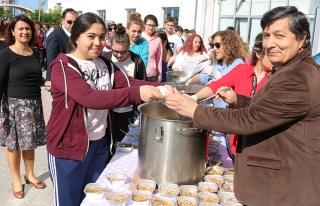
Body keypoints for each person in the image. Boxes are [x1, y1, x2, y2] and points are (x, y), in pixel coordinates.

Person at [165, 6, 320, 205]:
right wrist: (239, 101)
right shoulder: (290, 68)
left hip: (283, 191)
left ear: (301, 38)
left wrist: (193, 110)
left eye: (279, 35)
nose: (270, 44)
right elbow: (267, 110)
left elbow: (250, 120)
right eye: (266, 35)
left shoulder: (297, 76)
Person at [46, 12, 172, 206]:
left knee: (95, 199)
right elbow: (89, 98)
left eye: (102, 36)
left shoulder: (105, 64)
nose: (97, 42)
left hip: (99, 144)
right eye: (91, 36)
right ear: (76, 37)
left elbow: (128, 82)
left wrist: (162, 87)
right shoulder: (62, 66)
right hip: (69, 148)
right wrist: (137, 94)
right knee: (68, 202)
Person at [190, 32, 272, 159]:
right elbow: (216, 85)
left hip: (258, 145)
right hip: (235, 140)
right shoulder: (242, 70)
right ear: (258, 53)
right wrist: (193, 98)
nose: (276, 58)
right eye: (270, 53)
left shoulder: (275, 78)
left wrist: (235, 100)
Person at [0, 15, 51, 199]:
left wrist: (45, 82)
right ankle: (15, 180)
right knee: (14, 146)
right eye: (20, 28)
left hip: (34, 104)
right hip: (14, 106)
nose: (24, 32)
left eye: (28, 28)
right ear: (12, 31)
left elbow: (34, 77)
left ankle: (29, 175)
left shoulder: (34, 52)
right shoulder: (6, 54)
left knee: (30, 144)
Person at [103, 23, 147, 148]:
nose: (119, 55)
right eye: (115, 51)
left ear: (129, 47)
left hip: (128, 111)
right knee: (109, 145)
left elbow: (142, 85)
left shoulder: (137, 61)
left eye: (123, 52)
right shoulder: (105, 58)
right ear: (111, 46)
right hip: (109, 111)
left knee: (126, 145)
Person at [45, 8, 78, 80]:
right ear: (62, 21)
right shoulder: (55, 36)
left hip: (73, 77)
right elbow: (52, 61)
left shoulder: (76, 35)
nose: (72, 25)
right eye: (69, 22)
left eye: (75, 22)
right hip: (59, 78)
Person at [142, 14, 163, 82]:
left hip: (151, 74)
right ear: (144, 25)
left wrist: (159, 76)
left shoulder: (158, 40)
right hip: (139, 73)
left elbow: (159, 59)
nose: (151, 28)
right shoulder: (139, 37)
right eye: (149, 25)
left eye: (153, 25)